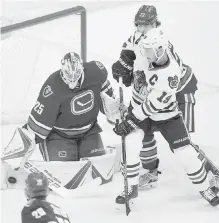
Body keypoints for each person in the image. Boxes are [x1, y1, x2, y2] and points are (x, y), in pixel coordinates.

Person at [111, 4, 218, 190]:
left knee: (182, 143)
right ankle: (151, 173)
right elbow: (130, 48)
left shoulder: (162, 48)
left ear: (154, 24)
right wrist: (124, 62)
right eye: (138, 24)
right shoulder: (140, 37)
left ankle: (211, 172)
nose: (140, 29)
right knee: (144, 130)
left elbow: (162, 90)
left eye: (145, 25)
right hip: (155, 93)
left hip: (179, 92)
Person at [23, 52, 118, 162]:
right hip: (59, 136)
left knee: (98, 169)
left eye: (77, 73)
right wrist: (19, 150)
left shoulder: (96, 72)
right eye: (68, 74)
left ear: (82, 68)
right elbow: (37, 124)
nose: (72, 79)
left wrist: (115, 109)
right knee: (62, 173)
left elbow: (107, 98)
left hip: (89, 131)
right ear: (62, 69)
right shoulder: (53, 85)